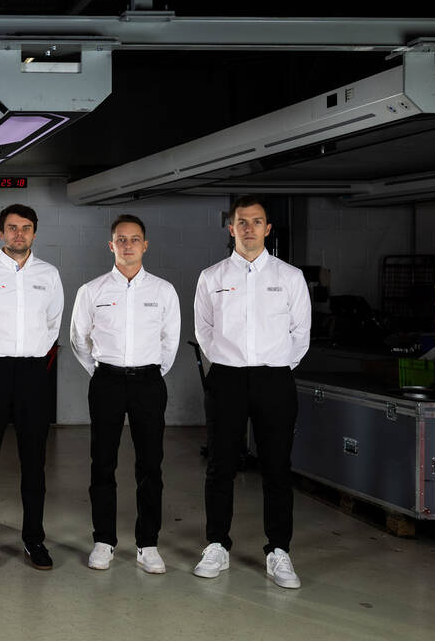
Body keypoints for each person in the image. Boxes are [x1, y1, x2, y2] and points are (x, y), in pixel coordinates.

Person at [192, 195, 310, 589]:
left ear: (267, 228)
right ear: (231, 228)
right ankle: (216, 545)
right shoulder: (211, 277)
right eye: (242, 221)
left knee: (277, 467)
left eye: (256, 221)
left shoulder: (289, 277)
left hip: (275, 379)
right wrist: (227, 361)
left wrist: (276, 366)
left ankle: (279, 551)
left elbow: (301, 333)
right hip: (226, 379)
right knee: (220, 465)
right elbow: (203, 330)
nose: (249, 228)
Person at [69, 214, 180, 574]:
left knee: (150, 465)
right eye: (121, 239)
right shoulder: (92, 291)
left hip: (149, 383)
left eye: (134, 239)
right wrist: (102, 371)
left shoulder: (163, 291)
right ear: (111, 245)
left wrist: (150, 373)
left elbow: (170, 341)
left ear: (145, 245)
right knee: (102, 462)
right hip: (107, 382)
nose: (128, 245)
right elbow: (79, 339)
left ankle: (148, 544)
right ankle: (104, 541)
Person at [0, 203, 63, 571]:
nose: (19, 234)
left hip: (33, 374)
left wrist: (30, 354)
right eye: (13, 228)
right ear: (1, 232)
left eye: (26, 228)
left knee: (34, 462)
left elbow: (53, 324)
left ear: (34, 232)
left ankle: (34, 540)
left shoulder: (49, 275)